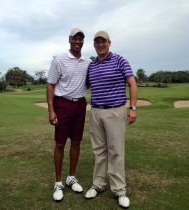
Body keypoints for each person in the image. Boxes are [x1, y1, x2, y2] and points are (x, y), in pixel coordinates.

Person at [85, 31, 138, 209]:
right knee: (99, 151)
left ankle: (119, 190)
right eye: (97, 42)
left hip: (115, 111)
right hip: (96, 112)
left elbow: (132, 83)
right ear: (94, 45)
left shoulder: (119, 60)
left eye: (103, 41)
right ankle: (98, 184)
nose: (100, 45)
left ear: (109, 43)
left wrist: (133, 108)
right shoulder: (91, 66)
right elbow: (83, 85)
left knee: (116, 151)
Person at [46, 28, 91, 202]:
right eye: (75, 38)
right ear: (69, 40)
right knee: (59, 144)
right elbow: (50, 85)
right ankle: (58, 182)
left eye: (81, 39)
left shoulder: (87, 61)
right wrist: (51, 110)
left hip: (80, 104)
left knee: (77, 142)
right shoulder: (59, 60)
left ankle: (71, 177)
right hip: (62, 104)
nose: (78, 42)